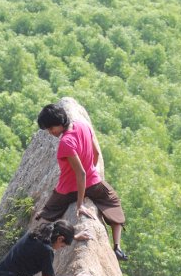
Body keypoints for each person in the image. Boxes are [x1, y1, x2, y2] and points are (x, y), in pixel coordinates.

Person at [36, 103, 128, 262]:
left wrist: (80, 204)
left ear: (59, 123)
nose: (51, 133)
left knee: (46, 213)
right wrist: (92, 171)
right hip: (94, 184)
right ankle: (117, 247)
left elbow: (80, 173)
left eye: (51, 129)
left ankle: (39, 244)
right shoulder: (83, 125)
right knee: (113, 202)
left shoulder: (66, 142)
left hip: (67, 189)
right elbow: (96, 153)